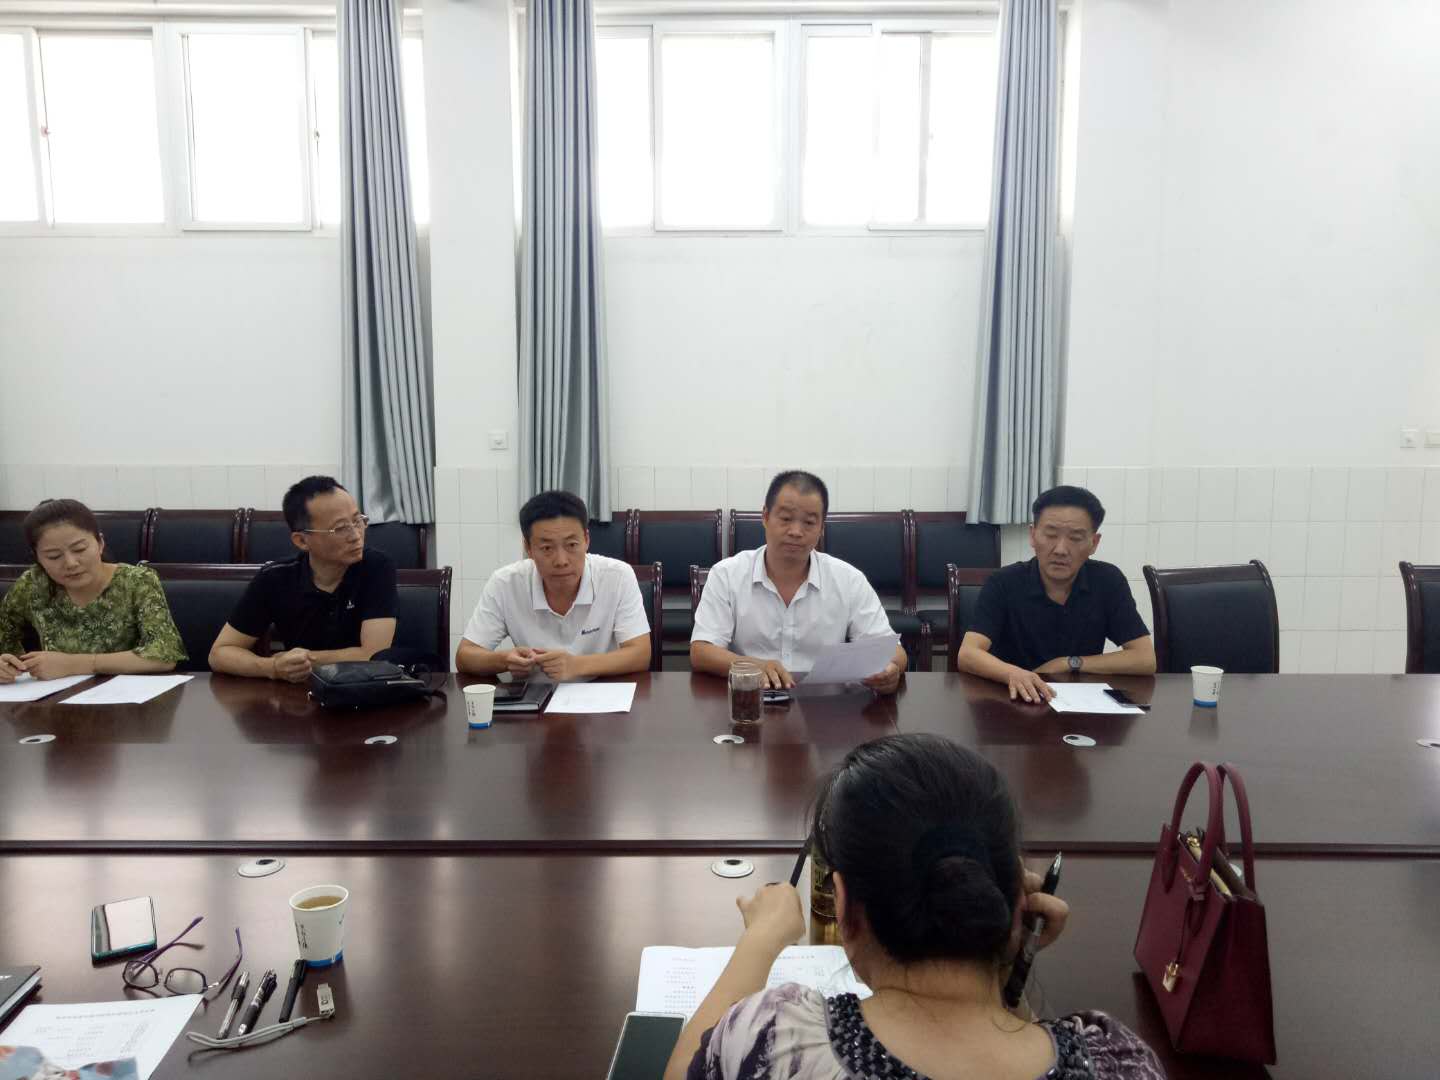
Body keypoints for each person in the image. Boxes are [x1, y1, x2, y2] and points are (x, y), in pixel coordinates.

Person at [665, 733, 1165, 1080]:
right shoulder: (1121, 1062)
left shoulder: (776, 1043)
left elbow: (686, 1069)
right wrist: (1008, 966)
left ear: (844, 907)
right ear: (1014, 900)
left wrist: (760, 937)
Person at [690, 471, 907, 693]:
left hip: (825, 705)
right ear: (765, 517)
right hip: (749, 700)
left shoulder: (849, 580)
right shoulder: (727, 575)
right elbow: (701, 651)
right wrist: (752, 666)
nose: (796, 532)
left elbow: (895, 652)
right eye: (785, 519)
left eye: (809, 522)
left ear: (821, 527)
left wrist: (889, 671)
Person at [957, 486, 1155, 704]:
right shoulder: (1003, 582)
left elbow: (1145, 658)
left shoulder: (1108, 580)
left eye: (1075, 538)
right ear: (1033, 535)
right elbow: (968, 654)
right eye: (1051, 535)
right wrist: (1013, 673)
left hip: (1081, 704)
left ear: (1094, 543)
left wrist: (1069, 663)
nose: (1060, 549)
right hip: (1013, 701)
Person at [209, 476, 397, 682]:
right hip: (298, 693)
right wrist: (272, 667)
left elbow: (374, 655)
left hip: (364, 688)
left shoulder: (376, 567)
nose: (356, 535)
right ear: (301, 541)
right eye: (341, 528)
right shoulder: (275, 578)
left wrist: (305, 659)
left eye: (358, 520)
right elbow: (220, 654)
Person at [455, 490, 652, 681]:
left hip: (601, 691)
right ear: (528, 547)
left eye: (571, 545)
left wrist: (576, 665)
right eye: (547, 548)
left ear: (586, 539)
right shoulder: (505, 583)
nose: (561, 561)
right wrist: (504, 660)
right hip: (534, 696)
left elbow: (641, 654)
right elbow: (465, 656)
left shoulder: (618, 577)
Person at [0, 498, 185, 681]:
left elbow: (165, 655)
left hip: (127, 693)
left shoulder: (137, 581)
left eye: (79, 549)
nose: (71, 563)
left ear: (100, 543)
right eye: (54, 556)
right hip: (56, 695)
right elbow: (5, 636)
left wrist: (73, 665)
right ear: (38, 558)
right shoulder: (33, 584)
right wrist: (7, 666)